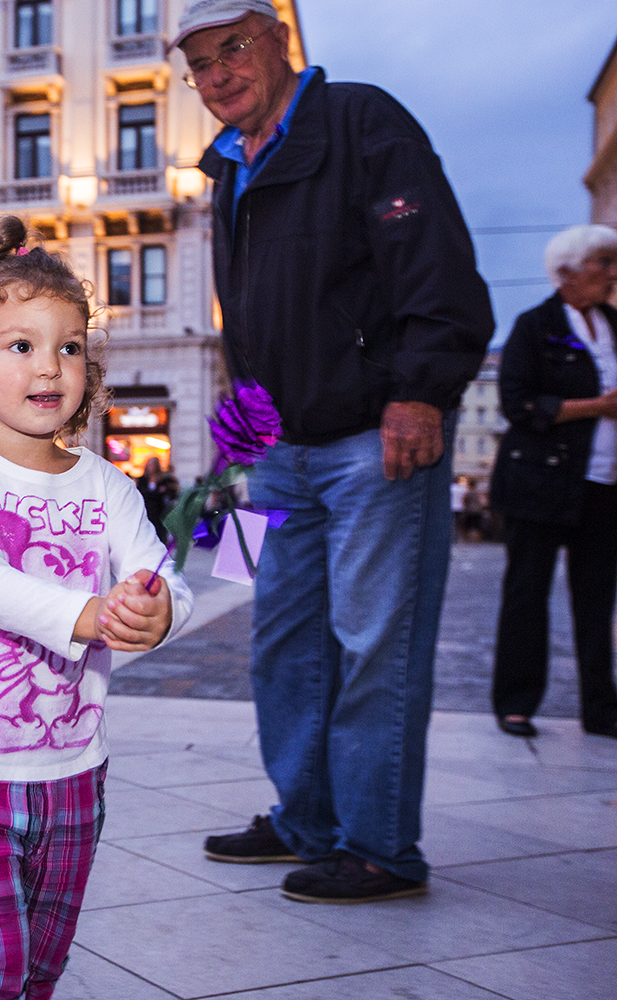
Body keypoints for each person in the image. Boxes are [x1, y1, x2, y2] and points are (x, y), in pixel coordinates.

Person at [179, 0, 494, 903]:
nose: (218, 76)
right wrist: (238, 438)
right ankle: (305, 821)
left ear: (277, 40)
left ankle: (380, 847)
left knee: (372, 644)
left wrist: (421, 391)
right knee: (278, 641)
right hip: (275, 451)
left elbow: (433, 261)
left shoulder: (362, 117)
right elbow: (244, 321)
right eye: (199, 65)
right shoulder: (226, 168)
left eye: (232, 48)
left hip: (373, 440)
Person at [0, 216, 194, 1000]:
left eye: (68, 346)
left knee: (39, 971)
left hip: (74, 775)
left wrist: (160, 612)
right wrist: (92, 615)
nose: (51, 367)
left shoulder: (107, 484)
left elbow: (163, 574)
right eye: (20, 346)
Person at [490, 225, 617, 741]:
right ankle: (516, 702)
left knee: (597, 599)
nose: (610, 275)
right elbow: (517, 403)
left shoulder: (613, 324)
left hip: (604, 483)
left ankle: (601, 708)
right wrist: (597, 407)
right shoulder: (535, 327)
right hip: (538, 483)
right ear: (567, 272)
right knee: (526, 592)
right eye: (601, 264)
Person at [135, 456, 169, 542]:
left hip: (159, 512)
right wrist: (157, 493)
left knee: (160, 534)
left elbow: (167, 492)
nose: (151, 467)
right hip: (147, 511)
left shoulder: (162, 480)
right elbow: (142, 493)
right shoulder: (142, 480)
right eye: (150, 465)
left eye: (153, 465)